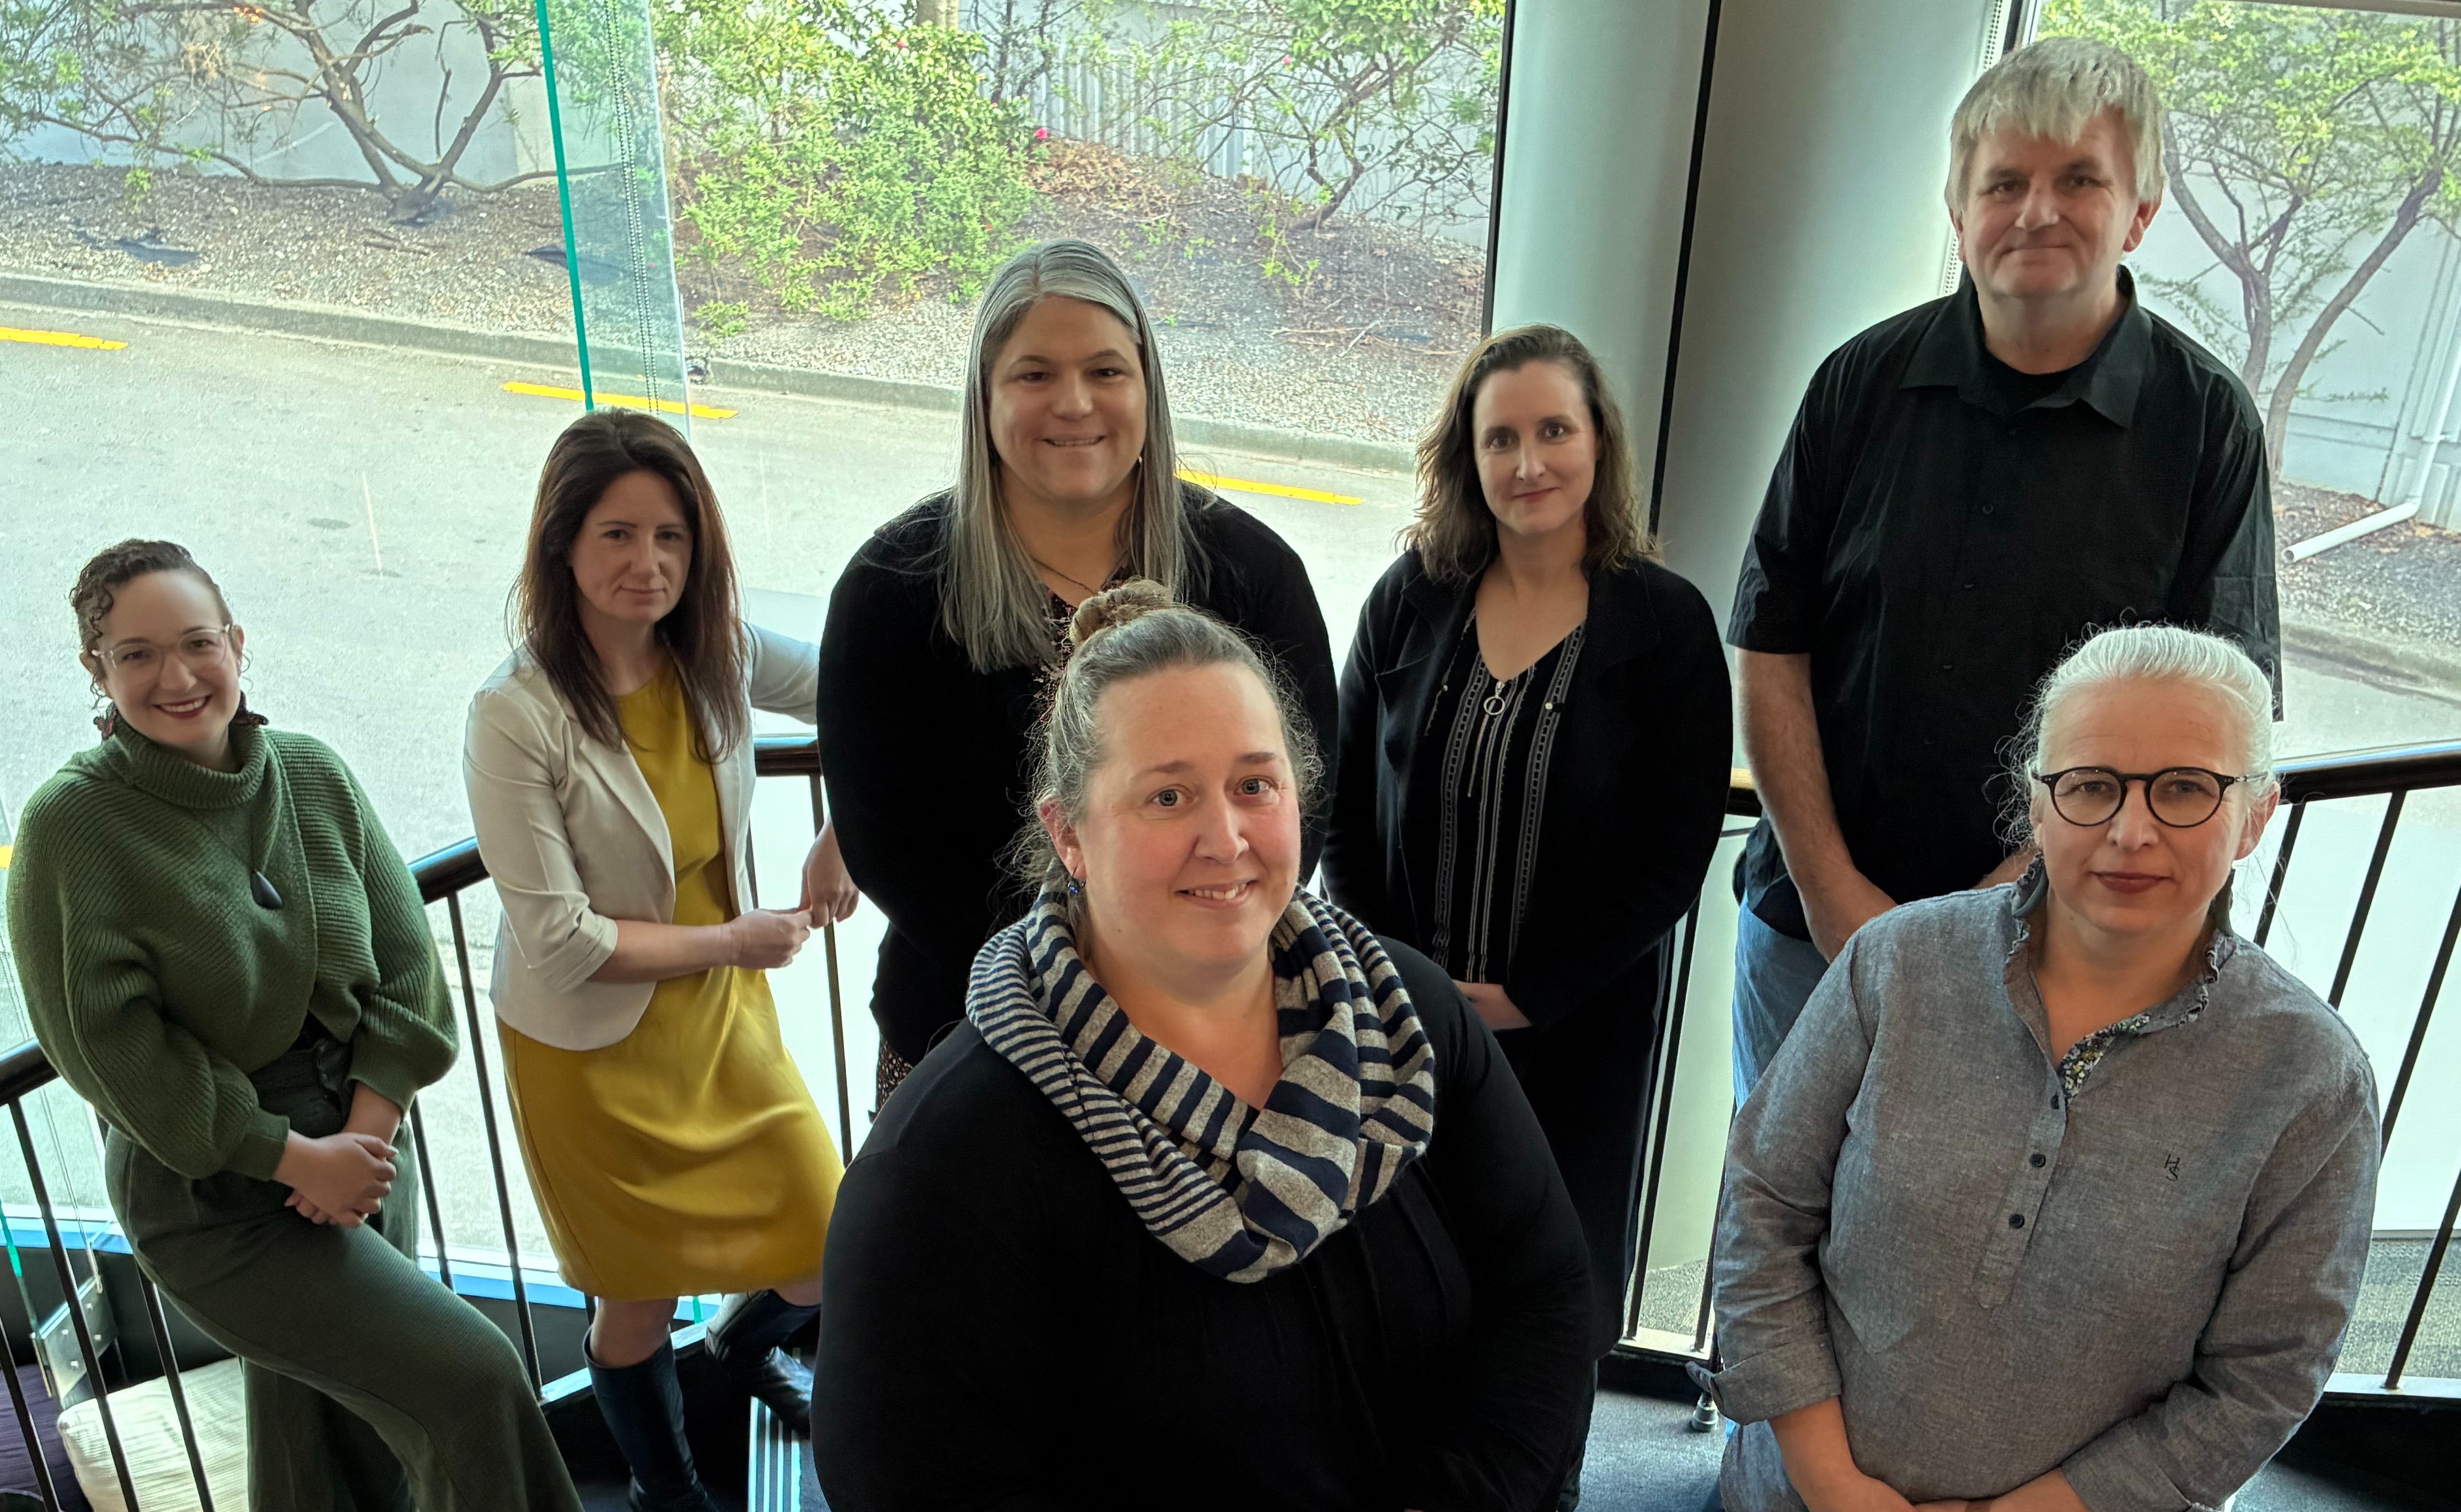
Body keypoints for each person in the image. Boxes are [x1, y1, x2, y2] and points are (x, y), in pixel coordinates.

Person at [812, 584, 1594, 1511]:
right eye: (1168, 796)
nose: (1224, 840)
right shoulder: (946, 1167)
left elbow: (1543, 1289)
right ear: (1070, 835)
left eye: (1255, 785)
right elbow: (913, 1480)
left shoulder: (1409, 1012)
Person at [1700, 625, 2378, 1512]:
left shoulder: (2311, 1082)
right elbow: (1764, 1207)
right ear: (2037, 805)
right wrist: (1831, 1485)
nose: (2131, 832)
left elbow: (2263, 1379)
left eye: (2185, 788)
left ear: (2256, 815)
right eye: (2091, 786)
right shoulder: (1895, 965)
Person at [1726, 36, 2280, 1099]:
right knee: (1777, 1228)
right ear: (1960, 210)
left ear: (2142, 213)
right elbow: (1770, 641)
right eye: (2005, 183)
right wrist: (1838, 896)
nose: (2037, 212)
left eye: (2080, 180)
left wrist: (1992, 912)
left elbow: (2215, 725)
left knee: (1993, 1248)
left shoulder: (2206, 426)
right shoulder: (1859, 383)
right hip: (1815, 933)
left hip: (2068, 953)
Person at [7, 540, 583, 1512]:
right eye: (137, 654)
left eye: (198, 642)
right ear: (95, 672)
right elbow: (116, 1058)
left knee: (330, 1437)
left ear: (238, 643)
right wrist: (291, 1158)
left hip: (361, 1141)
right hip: (214, 1188)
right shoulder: (75, 828)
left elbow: (408, 970)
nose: (178, 676)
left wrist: (363, 1130)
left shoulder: (310, 773)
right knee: (471, 1379)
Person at [1323, 324, 1732, 1505]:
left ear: (1599, 442)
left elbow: (1671, 855)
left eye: (1555, 429)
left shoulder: (1664, 625)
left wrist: (1530, 995)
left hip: (1576, 1038)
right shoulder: (1411, 597)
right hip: (1409, 1029)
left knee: (1543, 1306)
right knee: (1399, 1279)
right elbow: (1345, 809)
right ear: (1468, 456)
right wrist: (1401, 981)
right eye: (1500, 436)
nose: (1529, 460)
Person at [820, 238, 1339, 1105]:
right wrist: (1072, 990)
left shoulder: (1252, 577)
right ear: (985, 397)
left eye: (1105, 371)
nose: (1074, 404)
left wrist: (1176, 968)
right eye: (1033, 375)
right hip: (970, 1038)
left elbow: (1305, 800)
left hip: (1204, 1038)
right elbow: (889, 847)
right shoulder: (891, 592)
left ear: (1147, 388)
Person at [464, 411, 850, 1512]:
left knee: (824, 1243)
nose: (649, 564)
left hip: (720, 1026)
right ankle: (669, 1491)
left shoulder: (712, 650)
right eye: (618, 535)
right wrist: (738, 939)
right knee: (631, 1306)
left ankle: (734, 1345)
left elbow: (859, 697)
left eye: (672, 536)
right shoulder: (514, 714)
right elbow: (563, 938)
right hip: (590, 1051)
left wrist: (844, 828)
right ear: (563, 548)